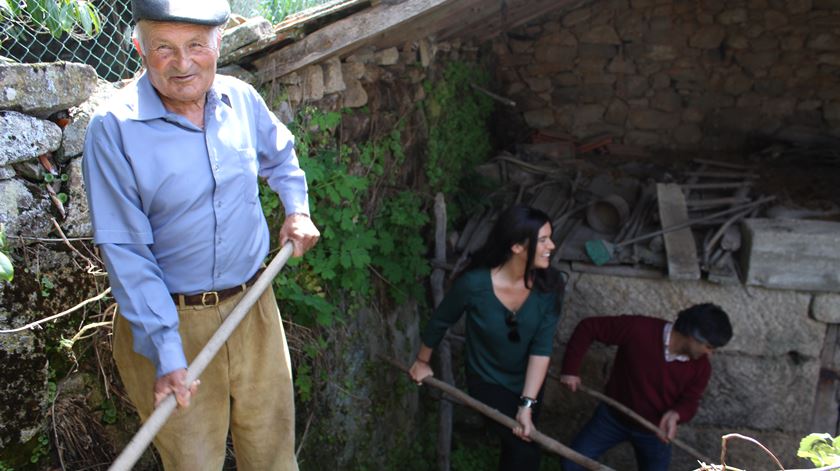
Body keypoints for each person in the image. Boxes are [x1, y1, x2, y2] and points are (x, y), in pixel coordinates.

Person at [82, 0, 320, 468]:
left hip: (254, 307)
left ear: (218, 42)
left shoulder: (241, 99)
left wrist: (297, 209)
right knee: (194, 463)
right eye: (163, 48)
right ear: (138, 48)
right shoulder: (113, 130)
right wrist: (167, 353)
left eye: (196, 45)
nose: (183, 63)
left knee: (273, 456)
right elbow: (126, 251)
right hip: (169, 323)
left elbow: (281, 156)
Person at [409, 204, 565, 471]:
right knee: (525, 451)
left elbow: (541, 347)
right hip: (488, 381)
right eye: (543, 240)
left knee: (516, 450)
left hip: (529, 382)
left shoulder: (549, 285)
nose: (551, 245)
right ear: (516, 246)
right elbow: (440, 321)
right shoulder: (474, 285)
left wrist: (527, 404)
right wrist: (422, 361)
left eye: (550, 237)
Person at [559, 304, 733, 471]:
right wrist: (570, 370)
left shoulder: (701, 367)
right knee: (571, 462)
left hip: (655, 432)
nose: (710, 353)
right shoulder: (639, 329)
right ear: (693, 336)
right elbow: (589, 327)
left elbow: (690, 400)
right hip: (611, 418)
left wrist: (676, 414)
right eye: (709, 347)